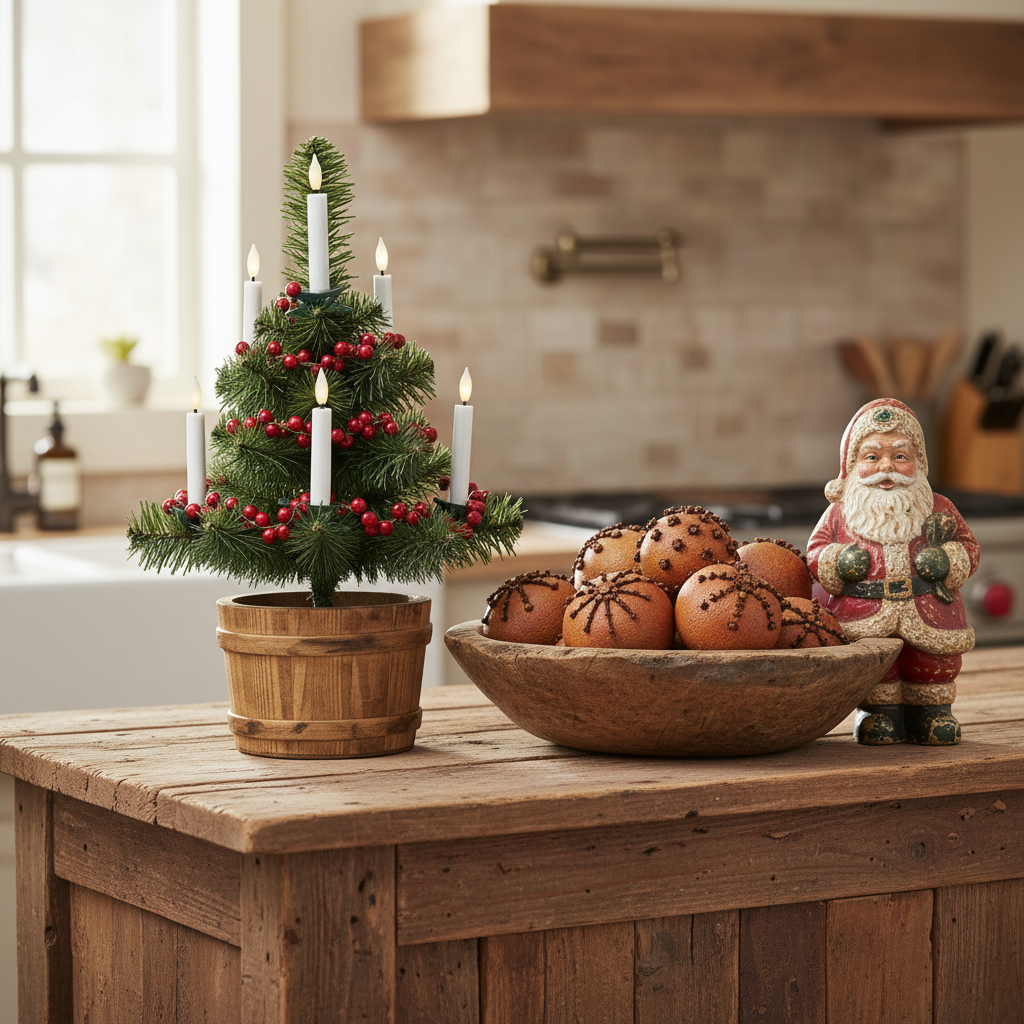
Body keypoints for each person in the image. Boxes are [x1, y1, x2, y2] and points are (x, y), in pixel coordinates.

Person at [806, 398, 980, 745]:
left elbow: (969, 546)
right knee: (875, 669)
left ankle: (934, 713)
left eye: (900, 456)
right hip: (866, 614)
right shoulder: (840, 514)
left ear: (919, 462)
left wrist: (948, 560)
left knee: (931, 663)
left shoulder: (939, 506)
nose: (887, 466)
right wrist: (837, 560)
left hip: (930, 612)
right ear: (852, 465)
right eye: (872, 457)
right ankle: (878, 714)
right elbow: (815, 550)